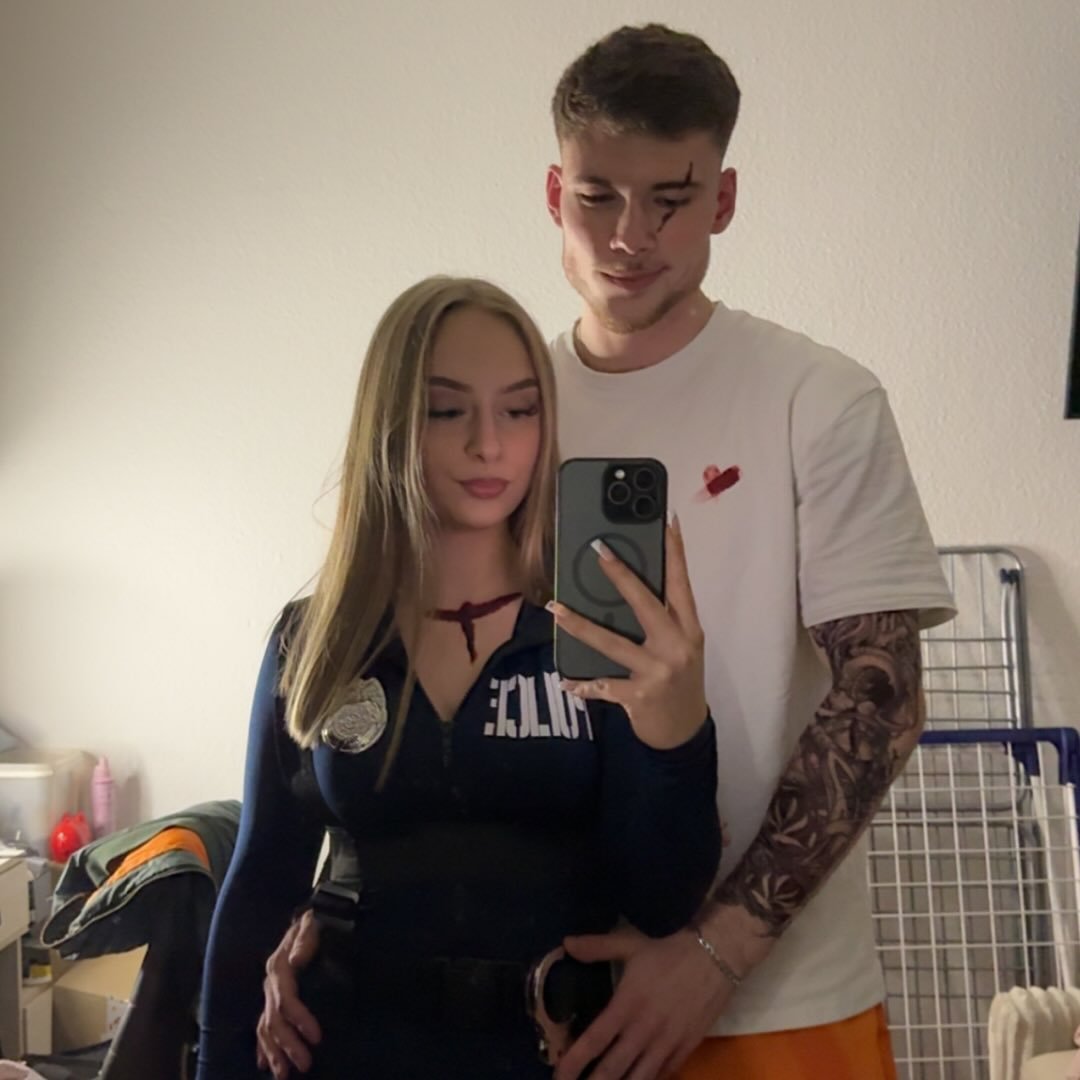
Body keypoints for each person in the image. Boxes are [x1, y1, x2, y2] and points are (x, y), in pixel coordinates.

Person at [257, 23, 957, 1080]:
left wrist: (715, 955)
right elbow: (406, 658)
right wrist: (340, 901)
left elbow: (881, 697)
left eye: (670, 199)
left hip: (781, 998)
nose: (631, 235)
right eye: (598, 197)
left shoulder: (820, 399)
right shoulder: (504, 402)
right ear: (554, 193)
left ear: (723, 199)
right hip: (557, 1005)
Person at [196, 275, 723, 1080]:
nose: (489, 444)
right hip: (341, 1050)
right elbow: (260, 880)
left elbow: (661, 899)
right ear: (391, 425)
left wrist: (679, 733)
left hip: (550, 1052)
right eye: (447, 411)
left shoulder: (592, 633)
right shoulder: (318, 636)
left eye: (519, 410)